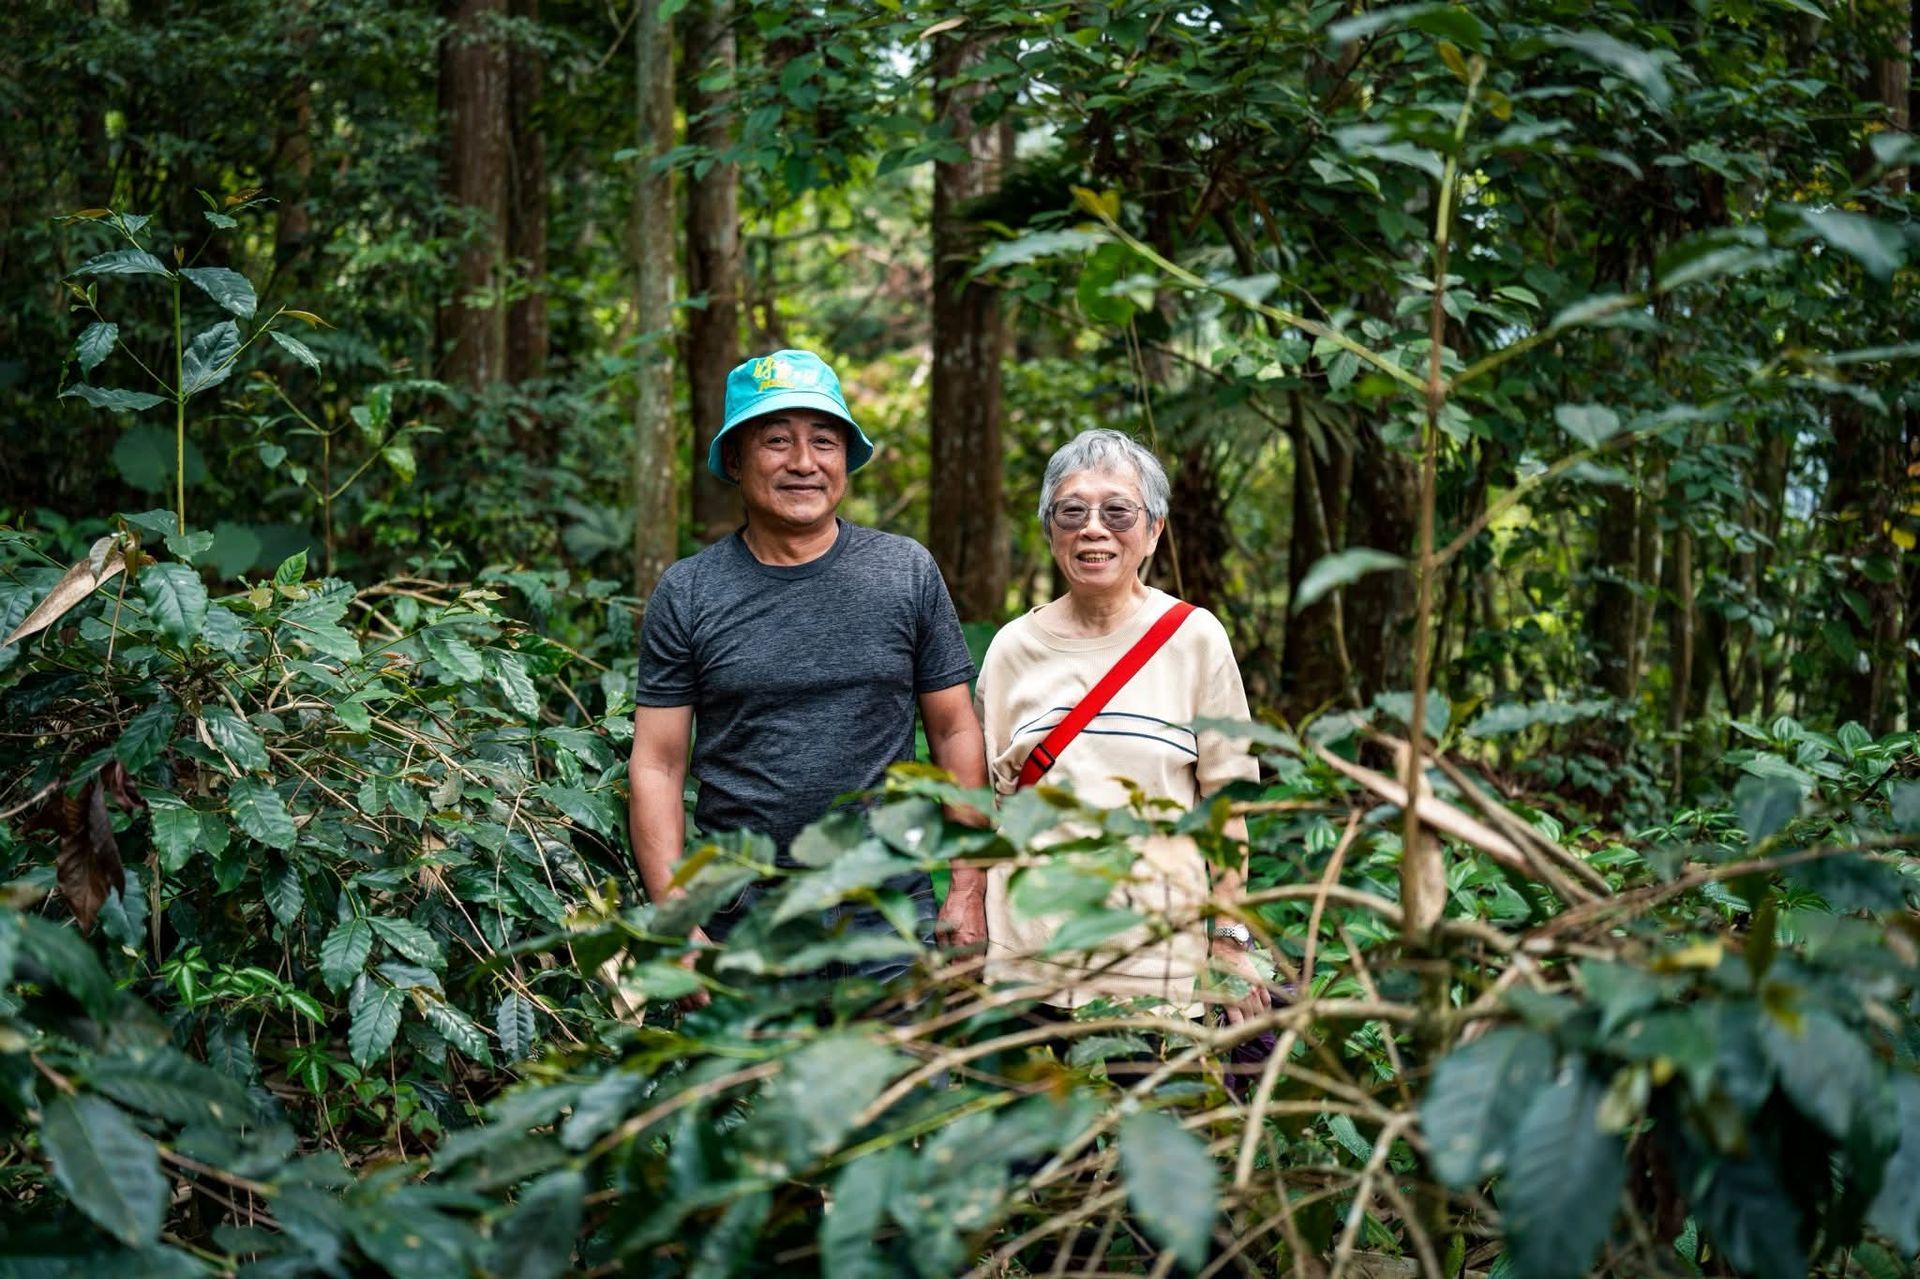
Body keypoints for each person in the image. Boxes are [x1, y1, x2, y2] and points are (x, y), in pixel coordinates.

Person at [625, 350, 989, 1004]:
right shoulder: (688, 592)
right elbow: (657, 763)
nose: (803, 462)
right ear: (736, 460)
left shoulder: (905, 572)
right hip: (743, 911)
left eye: (824, 441)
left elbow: (955, 728)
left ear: (846, 459)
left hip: (886, 910)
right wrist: (675, 917)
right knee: (751, 1103)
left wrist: (967, 884)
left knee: (901, 1100)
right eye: (776, 441)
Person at [956, 428, 1268, 1026]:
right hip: (1028, 960)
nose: (1093, 529)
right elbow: (988, 803)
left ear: (1153, 531)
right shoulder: (1012, 648)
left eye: (1118, 511)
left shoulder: (1195, 638)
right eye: (1072, 512)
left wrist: (1229, 940)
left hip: (1155, 964)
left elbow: (1226, 803)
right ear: (1051, 531)